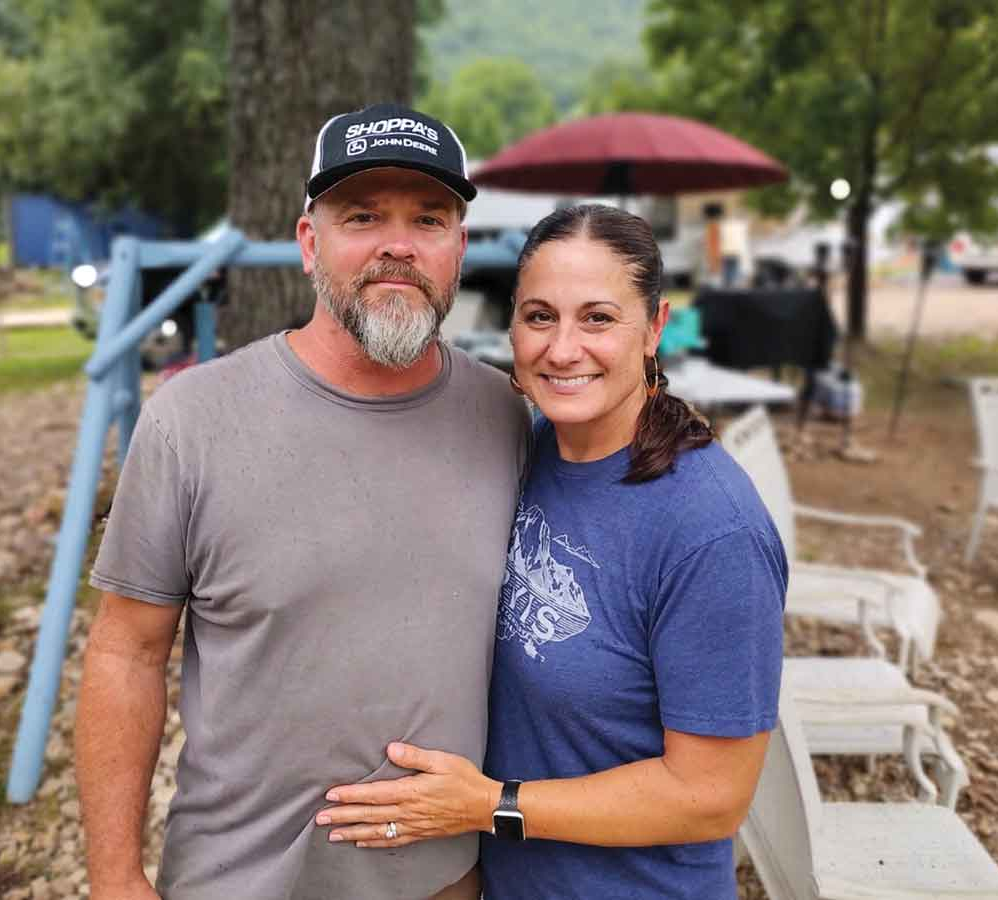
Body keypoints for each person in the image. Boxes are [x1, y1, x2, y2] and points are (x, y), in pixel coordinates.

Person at [74, 103, 530, 900]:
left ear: (458, 250)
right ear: (309, 242)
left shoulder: (504, 417)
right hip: (238, 878)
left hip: (443, 878)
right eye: (363, 216)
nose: (398, 243)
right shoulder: (192, 420)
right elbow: (126, 652)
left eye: (428, 219)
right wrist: (115, 875)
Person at [317, 204, 788, 899]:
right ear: (512, 326)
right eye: (540, 317)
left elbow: (711, 795)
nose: (563, 349)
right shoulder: (524, 450)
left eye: (597, 318)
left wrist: (490, 806)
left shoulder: (710, 530)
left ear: (655, 328)